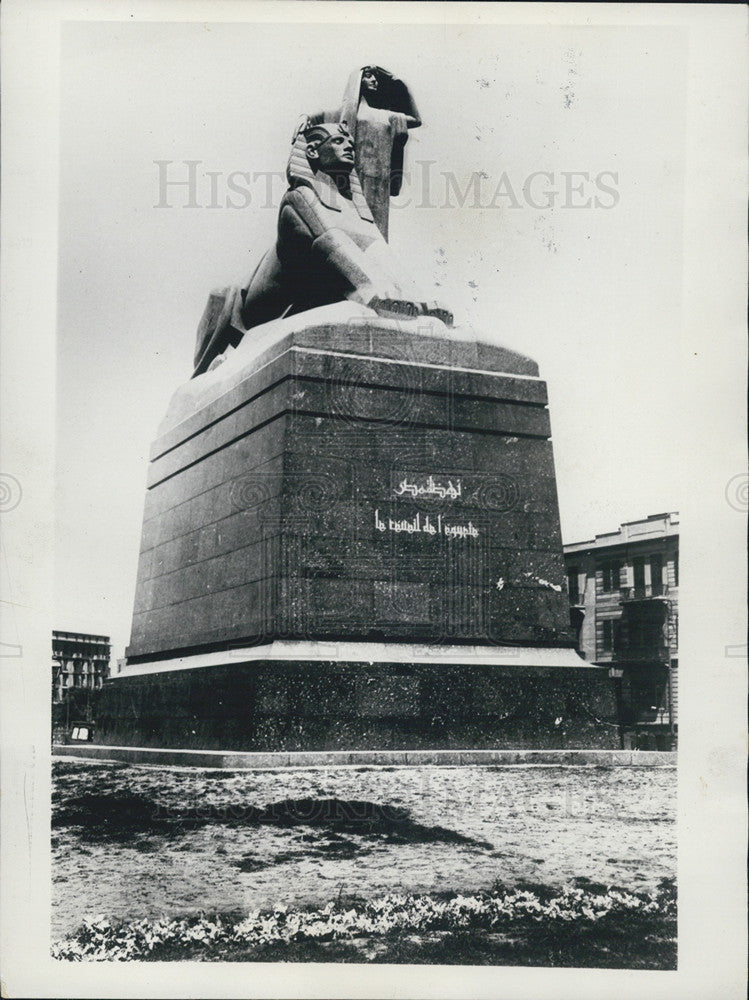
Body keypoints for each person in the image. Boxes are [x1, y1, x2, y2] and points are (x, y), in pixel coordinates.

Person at [192, 121, 450, 378]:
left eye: (350, 141)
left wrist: (418, 299)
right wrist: (372, 291)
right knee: (220, 294)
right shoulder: (299, 197)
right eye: (338, 141)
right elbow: (331, 243)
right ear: (313, 152)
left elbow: (378, 250)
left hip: (305, 299)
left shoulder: (352, 207)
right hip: (254, 312)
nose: (349, 145)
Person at [308, 66, 421, 240]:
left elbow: (416, 120)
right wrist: (303, 118)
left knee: (376, 235)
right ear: (358, 80)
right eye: (368, 76)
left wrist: (396, 81)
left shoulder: (386, 116)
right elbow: (314, 118)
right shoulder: (339, 113)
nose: (374, 80)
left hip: (377, 183)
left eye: (376, 78)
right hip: (349, 177)